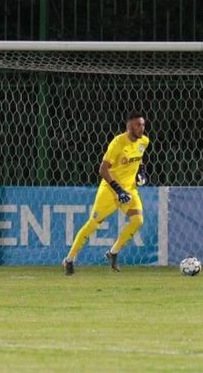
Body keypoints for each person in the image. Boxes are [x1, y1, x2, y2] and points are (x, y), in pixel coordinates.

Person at [62, 111, 150, 275]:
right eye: (138, 124)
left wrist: (142, 173)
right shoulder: (117, 143)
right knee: (93, 224)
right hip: (110, 190)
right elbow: (103, 169)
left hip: (129, 189)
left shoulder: (144, 141)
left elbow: (140, 159)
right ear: (129, 125)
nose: (142, 128)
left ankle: (113, 253)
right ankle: (69, 259)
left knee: (137, 220)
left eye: (143, 124)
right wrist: (118, 190)